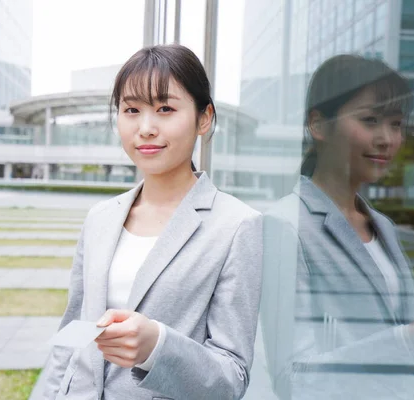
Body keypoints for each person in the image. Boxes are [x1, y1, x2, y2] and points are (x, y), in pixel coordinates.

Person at [43, 44, 263, 400]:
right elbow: (71, 338)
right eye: (131, 110)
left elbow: (231, 378)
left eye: (165, 109)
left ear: (204, 118)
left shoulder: (237, 226)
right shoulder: (100, 218)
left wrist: (156, 347)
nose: (145, 128)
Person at [260, 54, 414, 399]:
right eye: (370, 120)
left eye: (396, 124)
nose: (387, 139)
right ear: (318, 125)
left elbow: (393, 345)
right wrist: (408, 343)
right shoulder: (286, 225)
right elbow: (292, 380)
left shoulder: (383, 227)